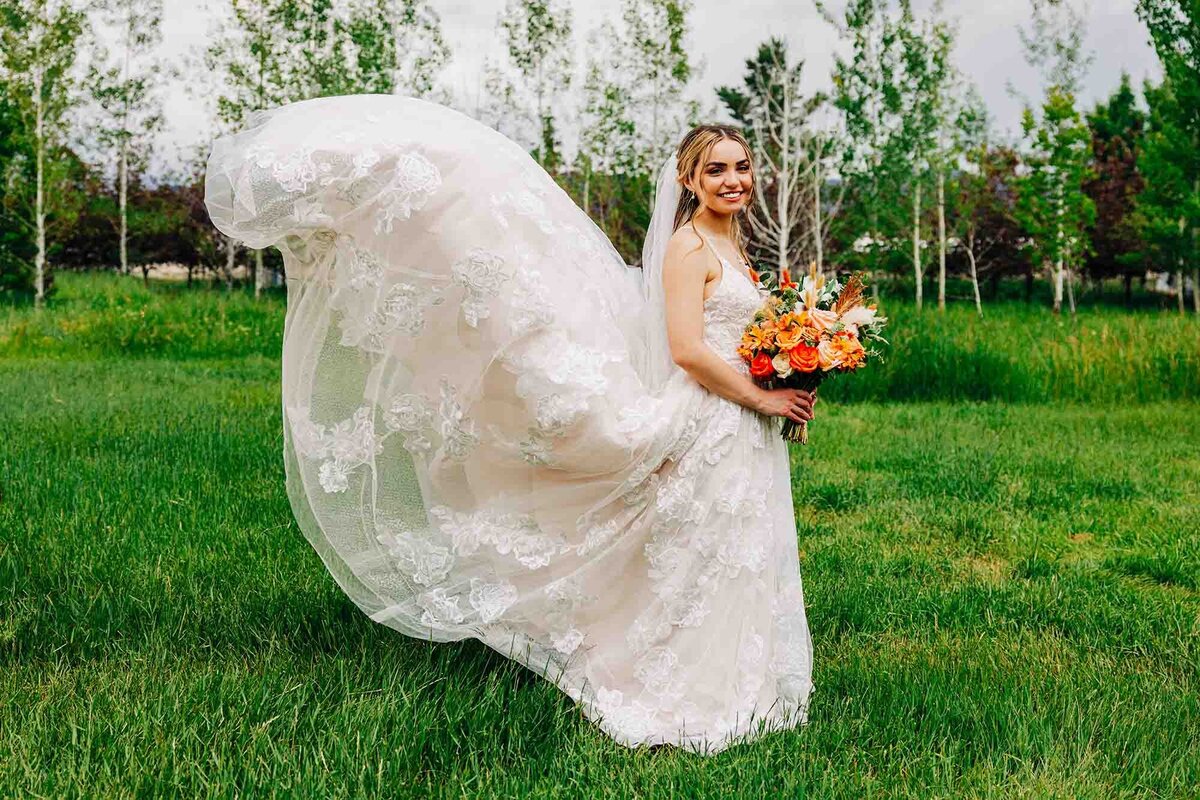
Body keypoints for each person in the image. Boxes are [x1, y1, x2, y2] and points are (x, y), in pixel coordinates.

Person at [204, 94, 816, 754]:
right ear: (689, 181)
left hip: (744, 421)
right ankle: (687, 692)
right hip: (711, 416)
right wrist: (762, 400)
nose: (733, 180)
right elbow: (689, 351)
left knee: (734, 551)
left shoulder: (735, 244)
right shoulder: (688, 248)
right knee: (699, 556)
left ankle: (745, 682)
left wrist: (790, 377)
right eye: (716, 170)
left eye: (742, 167)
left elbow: (744, 338)